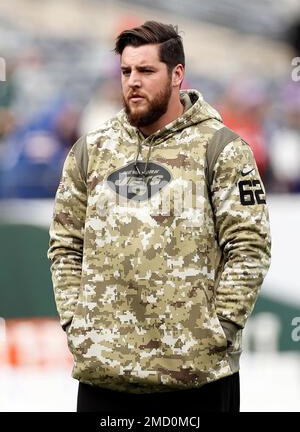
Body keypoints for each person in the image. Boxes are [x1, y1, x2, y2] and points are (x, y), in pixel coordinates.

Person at [48, 21, 271, 413]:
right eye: (126, 71)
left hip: (197, 376)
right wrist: (76, 323)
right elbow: (65, 245)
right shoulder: (92, 150)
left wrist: (217, 330)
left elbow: (249, 246)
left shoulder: (222, 149)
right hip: (106, 372)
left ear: (177, 75)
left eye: (146, 71)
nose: (133, 81)